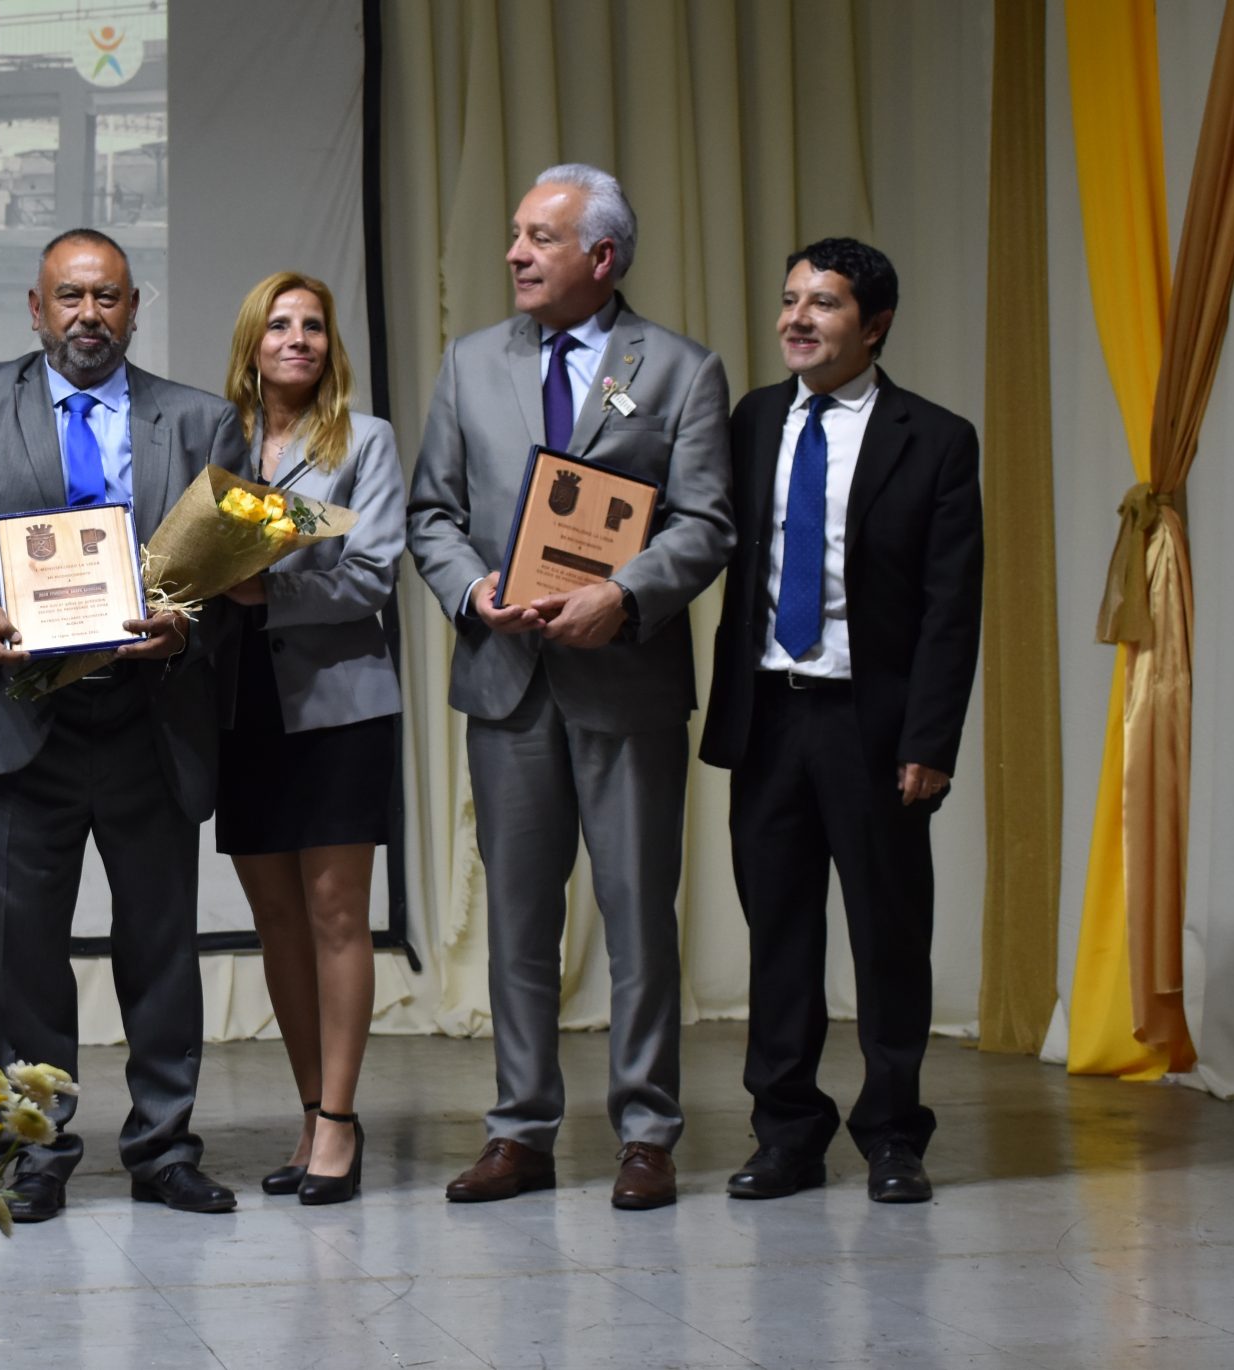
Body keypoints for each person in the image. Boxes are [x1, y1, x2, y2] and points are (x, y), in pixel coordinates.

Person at [405, 163, 734, 1211]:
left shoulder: (680, 370)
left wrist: (625, 598)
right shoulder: (468, 364)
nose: (514, 253)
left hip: (624, 680)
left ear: (600, 257)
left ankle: (645, 1130)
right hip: (507, 682)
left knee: (638, 915)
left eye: (539, 238)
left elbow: (705, 523)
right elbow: (431, 517)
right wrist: (473, 591)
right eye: (515, 234)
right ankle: (520, 1129)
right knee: (516, 918)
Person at [0, 228, 247, 1222]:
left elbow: (233, 573)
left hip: (150, 720)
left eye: (106, 298)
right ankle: (34, 1145)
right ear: (35, 308)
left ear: (134, 307)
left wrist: (184, 628)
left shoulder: (196, 420)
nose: (87, 316)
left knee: (160, 943)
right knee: (24, 955)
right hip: (26, 723)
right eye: (68, 297)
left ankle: (163, 1145)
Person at [699, 238, 982, 1205]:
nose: (797, 319)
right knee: (780, 939)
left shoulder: (937, 439)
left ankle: (896, 1135)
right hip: (770, 720)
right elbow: (654, 458)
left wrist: (930, 743)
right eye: (789, 300)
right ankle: (786, 1134)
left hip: (875, 727)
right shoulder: (752, 420)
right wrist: (614, 395)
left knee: (889, 939)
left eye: (823, 303)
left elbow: (953, 607)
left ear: (876, 325)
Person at [214, 271, 404, 1206]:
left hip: (339, 703)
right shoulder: (217, 441)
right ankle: (308, 1111)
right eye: (280, 324)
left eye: (315, 326)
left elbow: (372, 577)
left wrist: (267, 589)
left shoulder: (365, 442)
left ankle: (340, 1120)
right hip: (240, 703)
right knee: (276, 921)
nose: (299, 339)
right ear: (252, 342)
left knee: (336, 917)